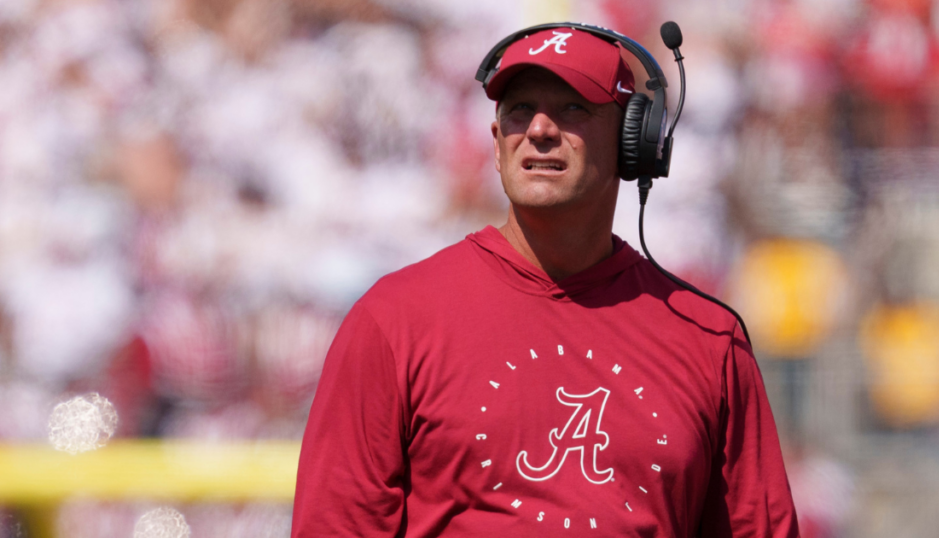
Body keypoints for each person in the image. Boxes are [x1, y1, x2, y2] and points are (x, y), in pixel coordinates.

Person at [292, 25, 799, 538]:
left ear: (634, 140)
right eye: (518, 109)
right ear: (496, 142)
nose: (538, 129)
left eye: (572, 108)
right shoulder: (393, 321)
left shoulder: (708, 339)